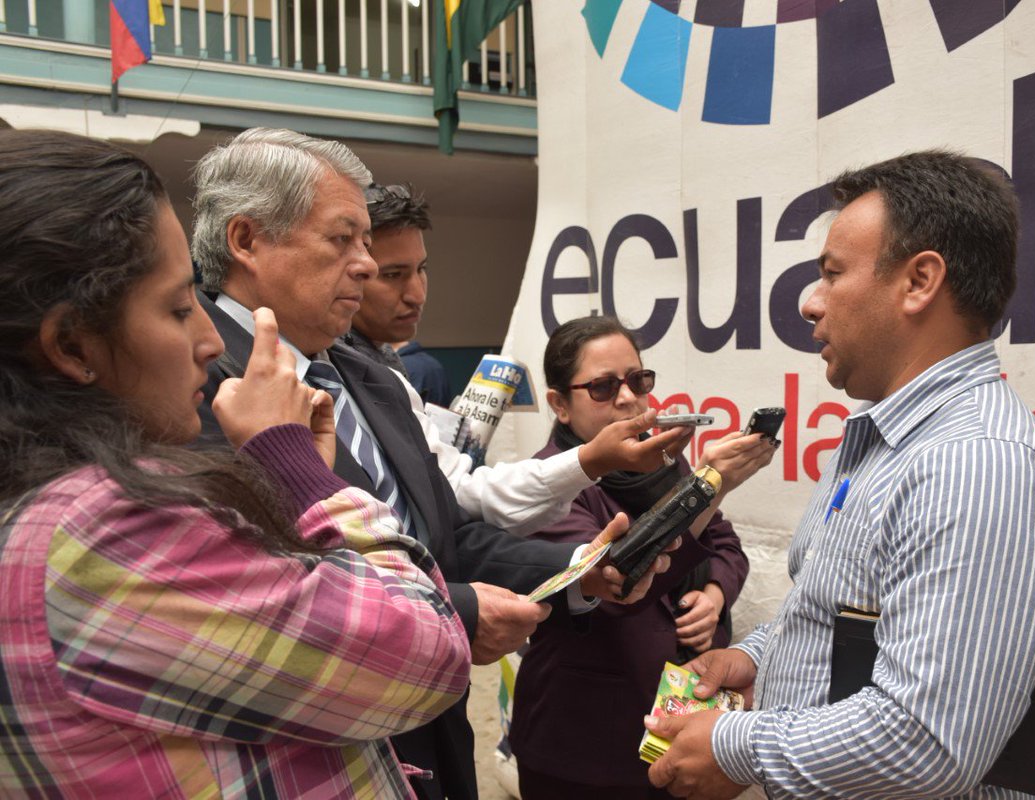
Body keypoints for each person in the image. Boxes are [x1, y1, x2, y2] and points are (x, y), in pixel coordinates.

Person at [189, 127, 671, 800]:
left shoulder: (372, 377)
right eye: (343, 240)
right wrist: (457, 612)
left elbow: (444, 537)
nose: (364, 265)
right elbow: (254, 601)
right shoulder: (195, 388)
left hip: (433, 737)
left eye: (368, 244)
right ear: (246, 240)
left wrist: (578, 570)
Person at [0, 129, 472, 798]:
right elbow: (424, 655)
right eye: (176, 308)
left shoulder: (44, 504)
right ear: (73, 345)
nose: (204, 337)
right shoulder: (109, 527)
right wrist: (302, 474)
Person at [644, 151, 1035, 799]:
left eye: (832, 274)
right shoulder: (884, 441)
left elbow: (925, 740)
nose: (810, 302)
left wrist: (734, 747)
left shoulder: (977, 466)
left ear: (920, 281)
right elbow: (844, 619)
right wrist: (758, 657)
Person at [508, 315, 777, 800]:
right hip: (587, 741)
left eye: (638, 379)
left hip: (684, 719)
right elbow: (617, 583)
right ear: (560, 405)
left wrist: (713, 594)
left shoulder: (662, 461)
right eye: (603, 387)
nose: (628, 398)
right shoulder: (545, 488)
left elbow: (725, 544)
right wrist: (706, 490)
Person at [343, 182, 692, 536]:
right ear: (559, 403)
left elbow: (455, 497)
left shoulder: (382, 365)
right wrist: (590, 463)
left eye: (422, 269)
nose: (417, 293)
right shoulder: (333, 378)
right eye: (393, 275)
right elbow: (457, 500)